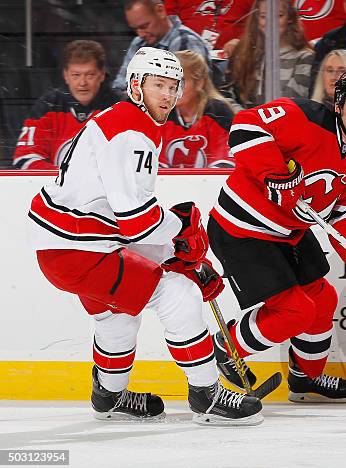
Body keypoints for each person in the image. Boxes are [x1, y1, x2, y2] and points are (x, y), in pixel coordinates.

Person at [27, 47, 262, 425]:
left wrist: (176, 251)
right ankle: (206, 394)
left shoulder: (121, 120)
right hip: (81, 249)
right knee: (178, 295)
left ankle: (109, 395)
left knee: (117, 318)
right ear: (136, 86)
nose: (168, 95)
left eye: (173, 86)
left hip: (67, 245)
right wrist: (181, 236)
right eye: (158, 86)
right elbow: (134, 219)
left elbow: (125, 221)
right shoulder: (131, 133)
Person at [207, 69, 346, 403]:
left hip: (290, 231)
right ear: (339, 105)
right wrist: (275, 176)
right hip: (242, 227)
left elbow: (345, 213)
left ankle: (305, 378)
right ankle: (223, 348)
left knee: (323, 301)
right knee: (295, 311)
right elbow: (246, 125)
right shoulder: (303, 116)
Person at [13, 40, 119, 170]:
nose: (82, 83)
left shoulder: (119, 108)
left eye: (90, 75)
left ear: (102, 75)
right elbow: (24, 159)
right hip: (56, 189)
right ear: (66, 75)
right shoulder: (48, 106)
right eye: (76, 75)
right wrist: (65, 180)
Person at [112, 0, 220, 95]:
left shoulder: (186, 42)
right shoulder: (138, 44)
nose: (140, 34)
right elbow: (119, 86)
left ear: (160, 11)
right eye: (135, 29)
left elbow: (182, 93)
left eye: (144, 26)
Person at [227, 0, 314, 108]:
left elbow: (290, 106)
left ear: (290, 18)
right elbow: (227, 95)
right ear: (257, 20)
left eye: (278, 15)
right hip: (244, 122)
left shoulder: (305, 57)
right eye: (263, 16)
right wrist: (243, 118)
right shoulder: (244, 54)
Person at [160, 50, 235, 168]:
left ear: (199, 83)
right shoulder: (160, 114)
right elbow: (155, 166)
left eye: (180, 82)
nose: (172, 90)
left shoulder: (218, 113)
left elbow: (225, 165)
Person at [163, 0, 255, 49]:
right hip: (187, 56)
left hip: (234, 58)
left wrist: (242, 42)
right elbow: (166, 24)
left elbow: (261, 24)